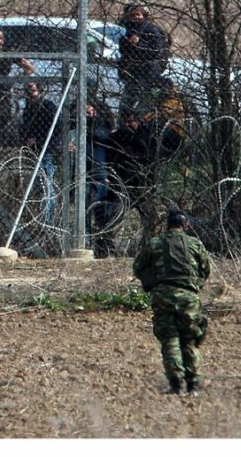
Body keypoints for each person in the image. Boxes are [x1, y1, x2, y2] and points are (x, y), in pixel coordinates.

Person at [133, 208, 211, 396]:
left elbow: (138, 267)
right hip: (188, 297)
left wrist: (151, 281)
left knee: (170, 340)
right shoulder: (195, 244)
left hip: (163, 296)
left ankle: (176, 385)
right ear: (186, 226)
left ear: (167, 225)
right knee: (189, 341)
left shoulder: (155, 244)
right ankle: (193, 386)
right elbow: (205, 271)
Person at [108, 109, 160, 251]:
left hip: (142, 186)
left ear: (138, 122)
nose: (128, 124)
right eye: (126, 122)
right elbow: (113, 155)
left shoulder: (147, 137)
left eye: (131, 121)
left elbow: (150, 156)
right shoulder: (119, 137)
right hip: (124, 184)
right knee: (117, 217)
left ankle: (148, 246)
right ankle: (111, 247)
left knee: (150, 218)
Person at [21, 81, 61, 225]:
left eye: (32, 90)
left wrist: (37, 140)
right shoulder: (28, 109)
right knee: (37, 187)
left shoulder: (47, 106)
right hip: (33, 152)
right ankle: (39, 220)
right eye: (28, 90)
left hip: (46, 150)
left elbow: (55, 128)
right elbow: (24, 129)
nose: (30, 93)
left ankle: (48, 221)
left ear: (40, 91)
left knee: (45, 185)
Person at [84, 100, 120, 257]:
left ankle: (103, 245)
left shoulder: (101, 125)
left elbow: (101, 137)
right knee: (87, 208)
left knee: (100, 208)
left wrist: (90, 122)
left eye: (88, 109)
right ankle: (86, 241)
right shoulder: (76, 125)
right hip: (86, 171)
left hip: (100, 171)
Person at [118, 4, 169, 114]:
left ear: (144, 15)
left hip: (148, 73)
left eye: (138, 14)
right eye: (132, 15)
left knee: (143, 104)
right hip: (132, 73)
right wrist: (127, 42)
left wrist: (138, 43)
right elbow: (123, 50)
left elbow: (156, 51)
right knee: (126, 105)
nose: (135, 17)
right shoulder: (129, 29)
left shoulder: (152, 30)